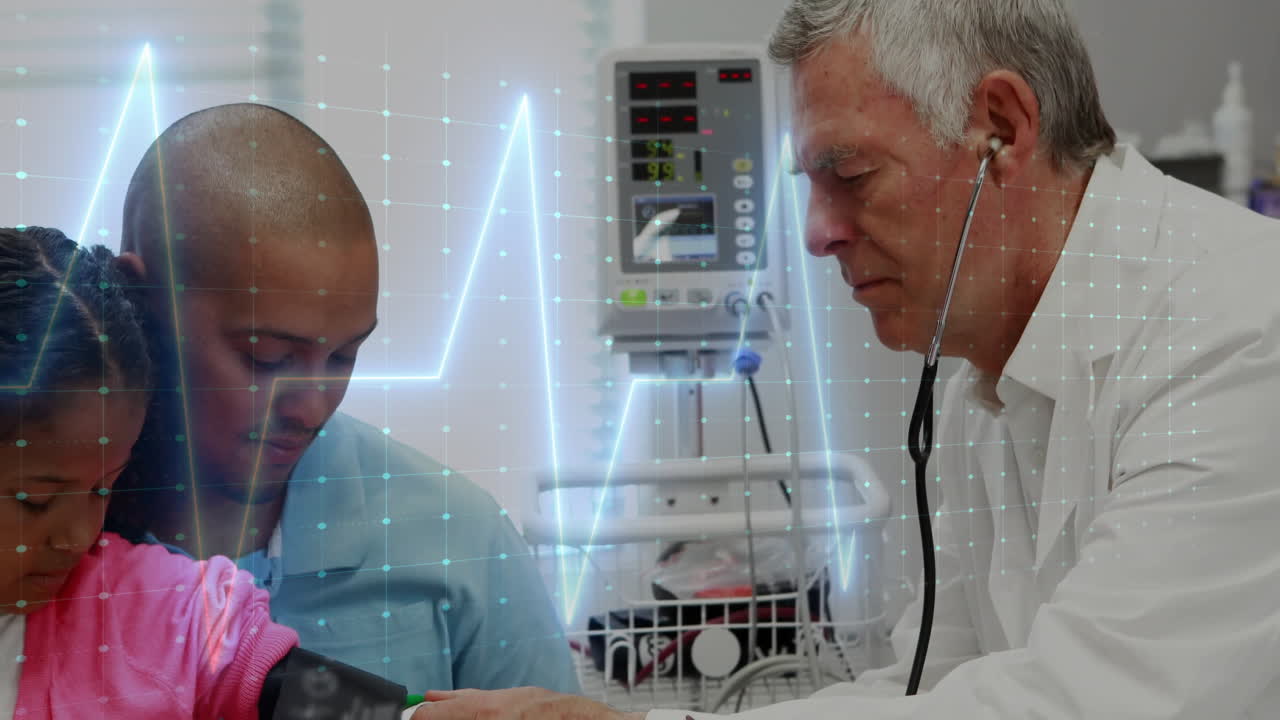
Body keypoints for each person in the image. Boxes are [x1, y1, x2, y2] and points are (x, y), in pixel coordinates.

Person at [413, 0, 1280, 718]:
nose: (817, 233)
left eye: (851, 175)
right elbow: (929, 691)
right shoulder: (980, 370)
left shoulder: (1239, 330)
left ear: (1002, 128)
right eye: (810, 185)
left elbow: (1092, 705)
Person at [104, 103, 578, 695]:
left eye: (343, 357)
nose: (311, 411)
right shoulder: (42, 533)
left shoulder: (461, 541)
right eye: (267, 358)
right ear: (142, 299)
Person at [0, 226, 298, 718]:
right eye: (36, 499)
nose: (78, 537)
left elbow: (298, 692)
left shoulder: (166, 614)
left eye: (103, 487)